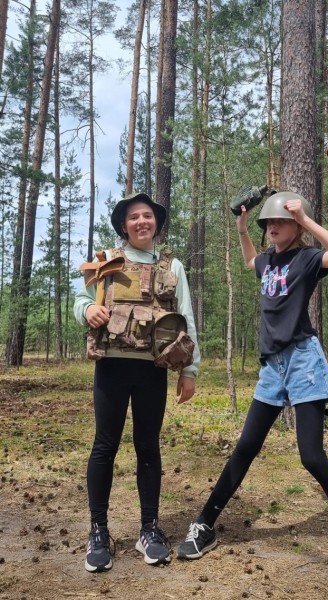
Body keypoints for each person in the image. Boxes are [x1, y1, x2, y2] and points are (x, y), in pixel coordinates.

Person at [177, 191, 328, 568]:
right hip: (272, 367)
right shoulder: (267, 261)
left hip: (303, 361)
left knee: (311, 456)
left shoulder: (308, 258)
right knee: (245, 447)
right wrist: (242, 228)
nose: (272, 227)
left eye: (280, 221)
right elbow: (250, 260)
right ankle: (204, 525)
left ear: (296, 226)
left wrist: (306, 220)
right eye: (268, 222)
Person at [74, 192, 200, 573]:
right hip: (111, 368)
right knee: (105, 446)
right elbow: (79, 300)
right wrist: (88, 310)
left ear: (156, 223)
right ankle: (98, 531)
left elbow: (186, 318)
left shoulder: (172, 266)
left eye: (148, 215)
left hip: (152, 370)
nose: (142, 221)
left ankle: (149, 529)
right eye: (134, 217)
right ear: (123, 225)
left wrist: (190, 370)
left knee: (148, 447)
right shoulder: (106, 261)